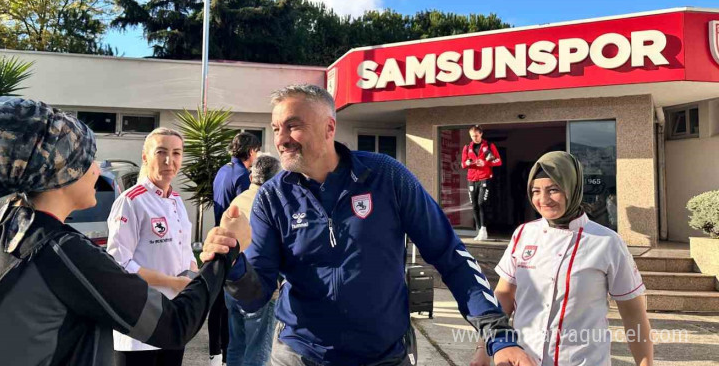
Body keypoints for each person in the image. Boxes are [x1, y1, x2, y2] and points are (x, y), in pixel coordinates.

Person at [202, 84, 533, 366]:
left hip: (385, 354)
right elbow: (256, 296)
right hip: (300, 354)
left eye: (293, 126)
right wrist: (234, 269)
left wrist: (498, 334)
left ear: (330, 128)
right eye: (276, 129)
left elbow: (450, 255)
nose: (282, 139)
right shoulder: (273, 196)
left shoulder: (386, 176)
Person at [0, 97, 240, 366]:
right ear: (60, 171)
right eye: (86, 160)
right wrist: (224, 254)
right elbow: (174, 325)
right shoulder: (64, 254)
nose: (97, 169)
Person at [470, 151, 653, 366]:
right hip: (523, 360)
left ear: (572, 188)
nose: (543, 199)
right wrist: (484, 349)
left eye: (553, 190)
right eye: (536, 191)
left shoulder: (607, 242)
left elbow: (633, 316)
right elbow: (504, 296)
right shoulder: (523, 234)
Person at [107, 127, 198, 366]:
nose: (170, 160)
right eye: (161, 152)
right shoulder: (131, 201)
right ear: (146, 156)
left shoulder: (177, 200)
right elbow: (120, 264)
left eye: (177, 153)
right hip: (139, 323)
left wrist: (192, 277)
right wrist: (172, 282)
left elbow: (185, 250)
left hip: (173, 318)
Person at [224, 154, 282, 366]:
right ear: (277, 178)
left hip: (233, 281)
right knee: (258, 351)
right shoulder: (273, 203)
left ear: (251, 176)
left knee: (236, 346)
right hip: (260, 285)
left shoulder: (237, 201)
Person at [210, 132, 262, 365]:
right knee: (233, 311)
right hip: (236, 247)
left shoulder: (222, 171)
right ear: (251, 152)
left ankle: (216, 353)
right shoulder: (244, 177)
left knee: (220, 304)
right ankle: (224, 353)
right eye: (257, 151)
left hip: (219, 240)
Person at [461, 125, 502, 241]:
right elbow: (463, 164)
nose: (475, 138)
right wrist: (468, 163)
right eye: (472, 136)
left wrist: (485, 163)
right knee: (474, 205)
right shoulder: (467, 147)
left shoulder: (489, 145)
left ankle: (484, 229)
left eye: (476, 136)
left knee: (481, 203)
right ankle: (479, 230)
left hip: (484, 177)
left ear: (481, 134)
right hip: (472, 178)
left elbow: (498, 161)